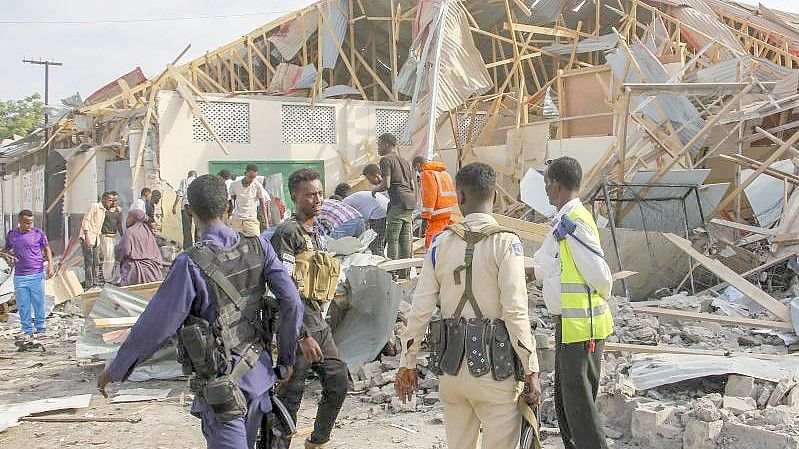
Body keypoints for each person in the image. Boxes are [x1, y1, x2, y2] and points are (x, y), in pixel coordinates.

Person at [98, 175, 303, 448]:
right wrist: (286, 359)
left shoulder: (189, 263)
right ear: (229, 205)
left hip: (223, 388)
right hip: (259, 374)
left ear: (190, 211)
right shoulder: (258, 246)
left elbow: (157, 325)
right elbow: (292, 301)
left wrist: (117, 368)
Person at [395, 162, 541, 449]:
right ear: (495, 196)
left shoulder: (440, 244)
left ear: (460, 197)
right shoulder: (506, 243)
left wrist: (407, 363)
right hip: (495, 373)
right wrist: (531, 368)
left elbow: (420, 308)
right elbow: (514, 311)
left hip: (452, 370)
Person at [532, 157, 614, 449]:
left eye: (547, 183)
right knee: (566, 402)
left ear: (558, 185)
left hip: (582, 326)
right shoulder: (563, 221)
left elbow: (601, 275)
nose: (544, 189)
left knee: (579, 406)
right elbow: (546, 265)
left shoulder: (573, 222)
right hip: (570, 324)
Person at [269, 168, 348, 449]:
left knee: (338, 382)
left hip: (318, 321)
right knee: (290, 395)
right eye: (309, 195)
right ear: (294, 197)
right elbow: (282, 289)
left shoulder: (317, 232)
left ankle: (317, 442)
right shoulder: (287, 233)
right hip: (296, 326)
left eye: (319, 193)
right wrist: (301, 335)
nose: (316, 199)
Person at [1, 210, 54, 337]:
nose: (28, 225)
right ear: (19, 221)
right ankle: (27, 329)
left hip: (36, 274)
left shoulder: (38, 233)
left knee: (38, 302)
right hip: (20, 276)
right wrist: (6, 255)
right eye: (26, 223)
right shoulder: (12, 235)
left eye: (31, 222)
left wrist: (50, 266)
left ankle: (40, 328)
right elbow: (4, 250)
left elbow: (47, 249)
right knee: (23, 304)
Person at [371, 133, 416, 263]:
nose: (378, 148)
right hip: (410, 201)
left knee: (393, 239)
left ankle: (393, 272)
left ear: (386, 144)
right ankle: (405, 271)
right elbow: (412, 184)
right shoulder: (404, 160)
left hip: (398, 202)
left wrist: (375, 190)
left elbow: (386, 184)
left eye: (379, 145)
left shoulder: (385, 160)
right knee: (405, 238)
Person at [412, 156, 457, 248]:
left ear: (418, 165)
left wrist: (425, 219)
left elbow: (429, 198)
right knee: (449, 243)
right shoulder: (444, 173)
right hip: (451, 213)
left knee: (432, 244)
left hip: (438, 215)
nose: (417, 172)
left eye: (416, 169)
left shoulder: (427, 174)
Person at [115, 209, 165, 286]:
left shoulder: (130, 231)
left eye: (129, 217)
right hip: (152, 271)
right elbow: (156, 253)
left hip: (134, 269)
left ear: (135, 218)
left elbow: (125, 250)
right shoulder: (147, 232)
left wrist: (117, 252)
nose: (127, 219)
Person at [357, 166, 390, 256]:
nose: (369, 181)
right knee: (380, 244)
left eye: (369, 178)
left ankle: (382, 266)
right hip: (381, 216)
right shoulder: (379, 188)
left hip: (384, 217)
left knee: (376, 245)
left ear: (376, 175)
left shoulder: (385, 187)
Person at [229, 164, 271, 237]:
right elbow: (232, 202)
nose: (252, 179)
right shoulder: (234, 185)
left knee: (257, 242)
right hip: (237, 221)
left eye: (254, 177)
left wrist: (266, 222)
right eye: (250, 177)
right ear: (245, 173)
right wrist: (229, 217)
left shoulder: (257, 186)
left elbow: (262, 204)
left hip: (251, 220)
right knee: (235, 243)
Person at [80, 192, 111, 288]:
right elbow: (86, 221)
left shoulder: (104, 211)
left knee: (96, 262)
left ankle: (95, 282)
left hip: (96, 238)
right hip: (88, 237)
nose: (110, 203)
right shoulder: (94, 206)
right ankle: (89, 285)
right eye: (109, 200)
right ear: (104, 199)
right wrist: (87, 237)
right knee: (89, 263)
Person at [100, 191, 123, 284]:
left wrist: (123, 236)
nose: (114, 202)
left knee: (113, 257)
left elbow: (119, 224)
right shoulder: (104, 210)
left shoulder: (118, 211)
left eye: (116, 200)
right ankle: (107, 278)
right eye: (112, 200)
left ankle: (110, 276)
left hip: (114, 236)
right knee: (108, 257)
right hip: (105, 236)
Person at [172, 170, 198, 249]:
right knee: (199, 226)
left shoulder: (184, 181)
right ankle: (199, 245)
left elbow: (180, 194)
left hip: (186, 206)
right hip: (196, 205)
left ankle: (188, 247)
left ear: (188, 175)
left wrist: (174, 206)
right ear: (195, 175)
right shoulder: (198, 181)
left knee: (187, 227)